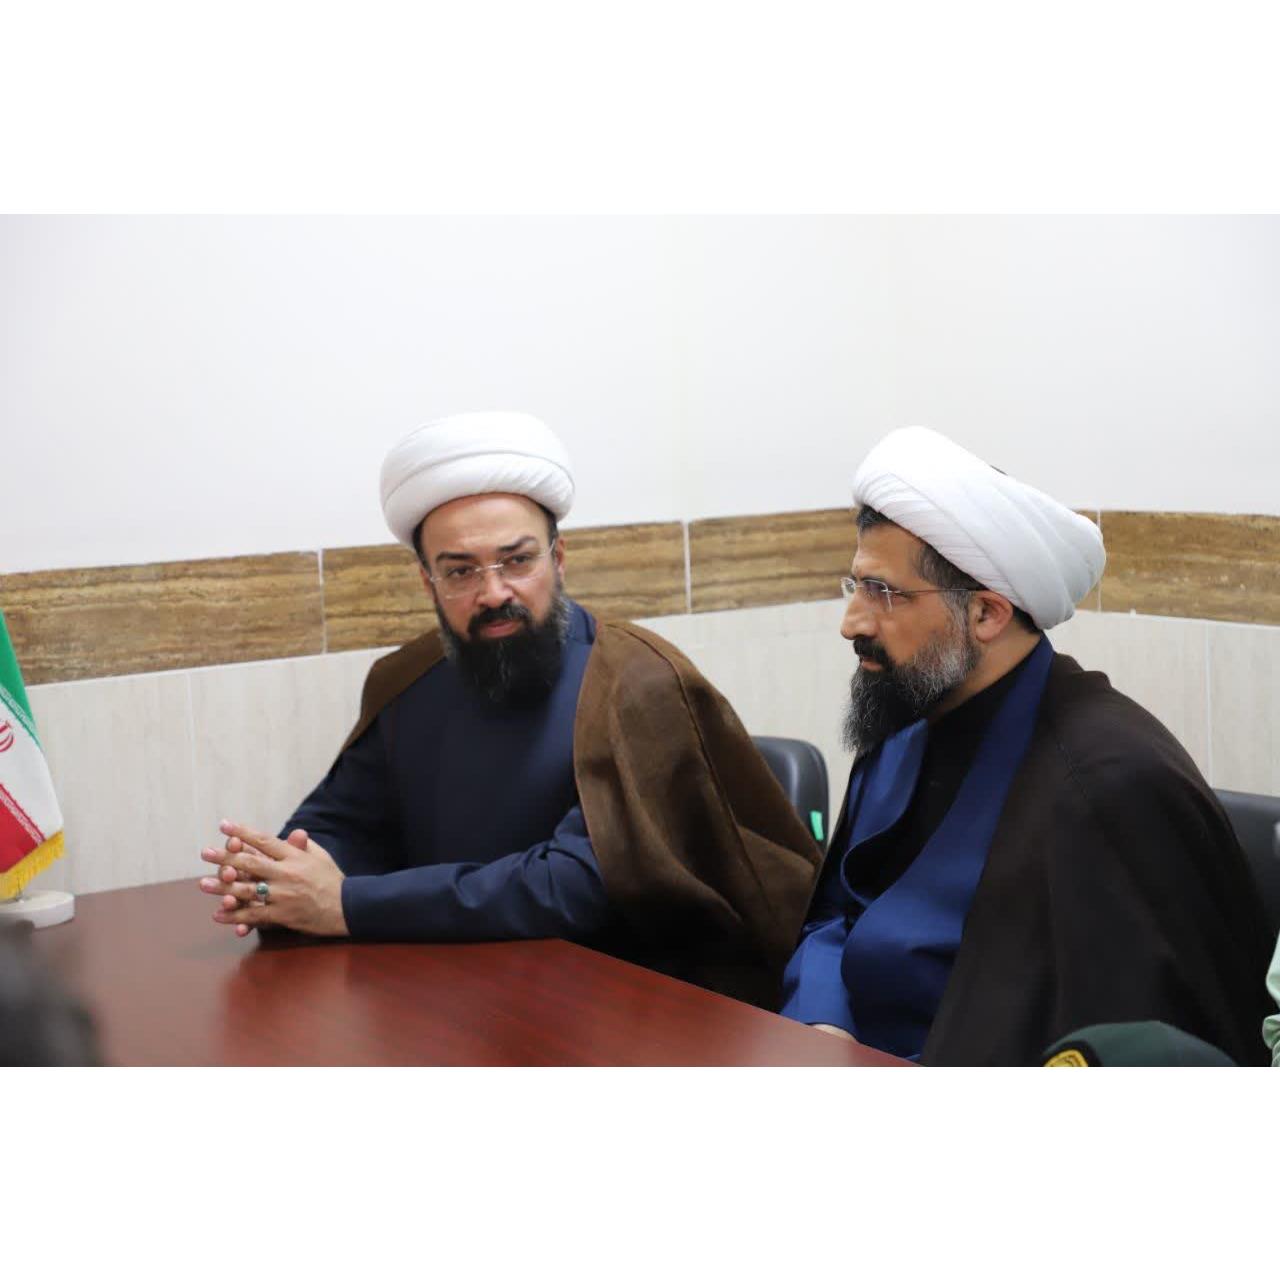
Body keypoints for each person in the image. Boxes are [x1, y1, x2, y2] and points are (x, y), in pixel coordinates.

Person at [197, 412, 820, 1008]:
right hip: (447, 999)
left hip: (624, 1012)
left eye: (517, 561)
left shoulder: (639, 683)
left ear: (558, 558)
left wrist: (344, 904)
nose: (493, 592)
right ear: (427, 581)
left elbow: (575, 888)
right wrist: (279, 875)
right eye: (460, 572)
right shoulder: (406, 678)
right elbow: (344, 823)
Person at [779, 425, 1274, 1065]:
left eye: (885, 593)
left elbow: (1130, 1050)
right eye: (856, 587)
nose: (852, 622)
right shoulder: (904, 719)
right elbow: (836, 916)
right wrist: (825, 1022)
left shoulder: (1112, 784)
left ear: (987, 614)